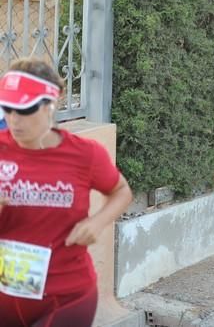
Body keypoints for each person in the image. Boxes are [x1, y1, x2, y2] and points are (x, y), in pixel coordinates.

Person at [0, 58, 133, 327]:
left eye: (26, 109)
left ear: (53, 102)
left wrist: (97, 222)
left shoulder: (85, 154)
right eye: (8, 108)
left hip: (67, 297)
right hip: (6, 294)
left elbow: (121, 191)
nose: (14, 120)